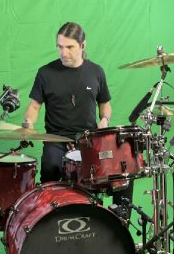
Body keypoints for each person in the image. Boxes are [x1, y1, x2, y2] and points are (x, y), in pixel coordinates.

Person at [21, 22, 113, 183]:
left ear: (82, 45)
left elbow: (104, 104)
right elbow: (34, 106)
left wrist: (104, 120)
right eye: (60, 47)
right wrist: (28, 122)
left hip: (88, 140)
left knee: (115, 171)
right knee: (50, 168)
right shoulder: (45, 73)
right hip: (56, 140)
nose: (63, 53)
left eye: (70, 47)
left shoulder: (96, 72)